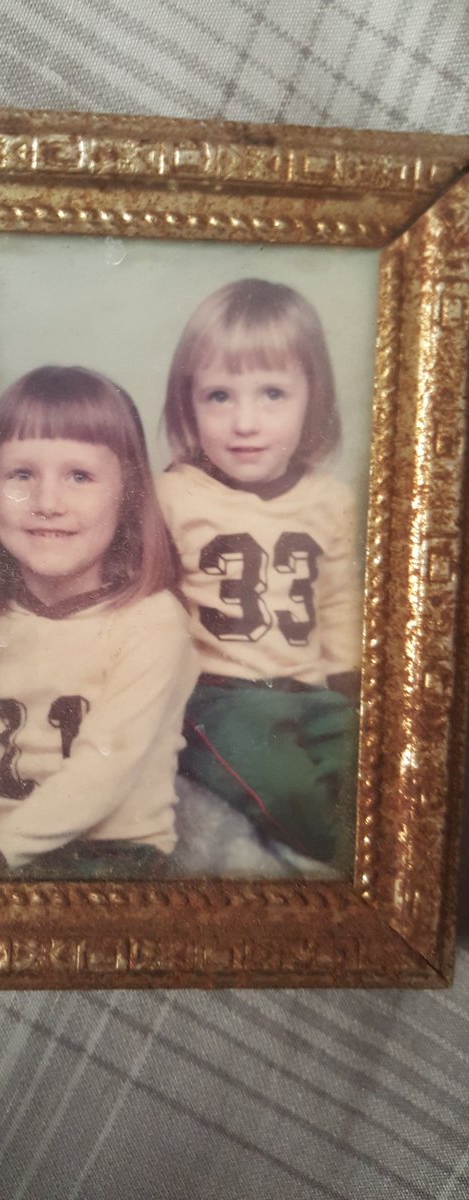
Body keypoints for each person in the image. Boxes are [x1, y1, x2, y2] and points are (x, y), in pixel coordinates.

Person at [0, 365, 198, 880]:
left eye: (80, 477)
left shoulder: (152, 622)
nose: (48, 503)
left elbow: (103, 771)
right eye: (21, 475)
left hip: (111, 857)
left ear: (127, 494)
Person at [157, 279, 362, 867]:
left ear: (313, 399)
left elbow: (337, 599)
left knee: (373, 764)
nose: (245, 422)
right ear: (189, 404)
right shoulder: (175, 495)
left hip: (310, 691)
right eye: (219, 396)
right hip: (221, 696)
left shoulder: (330, 500)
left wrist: (350, 684)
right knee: (286, 783)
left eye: (272, 393)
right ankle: (349, 875)